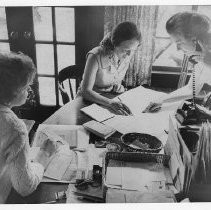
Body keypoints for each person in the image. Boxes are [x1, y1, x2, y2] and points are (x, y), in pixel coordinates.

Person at [0, 52, 57, 203]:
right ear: (12, 92)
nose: (29, 91)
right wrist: (44, 154)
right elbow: (25, 186)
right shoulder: (14, 127)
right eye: (26, 87)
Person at [144, 12, 211, 113]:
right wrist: (161, 100)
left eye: (179, 42)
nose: (178, 48)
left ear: (195, 40)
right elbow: (191, 89)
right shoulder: (200, 60)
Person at [77, 21, 141, 115]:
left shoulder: (127, 53)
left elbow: (115, 78)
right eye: (126, 50)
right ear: (114, 44)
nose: (129, 54)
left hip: (109, 100)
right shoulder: (95, 56)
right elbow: (86, 91)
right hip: (87, 102)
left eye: (133, 50)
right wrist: (110, 103)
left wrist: (118, 88)